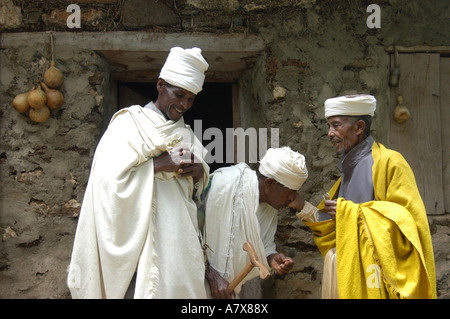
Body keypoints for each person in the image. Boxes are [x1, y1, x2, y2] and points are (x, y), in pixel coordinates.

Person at [67, 47, 211, 299]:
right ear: (160, 85)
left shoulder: (188, 136)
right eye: (179, 95)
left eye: (191, 98)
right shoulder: (127, 124)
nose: (184, 104)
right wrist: (157, 165)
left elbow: (198, 194)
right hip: (136, 242)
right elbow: (105, 183)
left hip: (177, 242)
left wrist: (199, 172)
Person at [291, 94, 437, 299]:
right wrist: (302, 206)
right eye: (329, 126)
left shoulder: (390, 162)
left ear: (359, 127)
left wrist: (353, 213)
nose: (329, 133)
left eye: (335, 125)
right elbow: (337, 230)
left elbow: (409, 225)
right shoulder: (347, 171)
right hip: (349, 270)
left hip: (378, 275)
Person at [201, 147, 309, 298]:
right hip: (195, 284)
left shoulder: (269, 207)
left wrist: (271, 257)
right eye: (290, 192)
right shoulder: (222, 184)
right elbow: (187, 233)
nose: (293, 199)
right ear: (269, 183)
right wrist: (212, 276)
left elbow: (260, 244)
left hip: (227, 291)